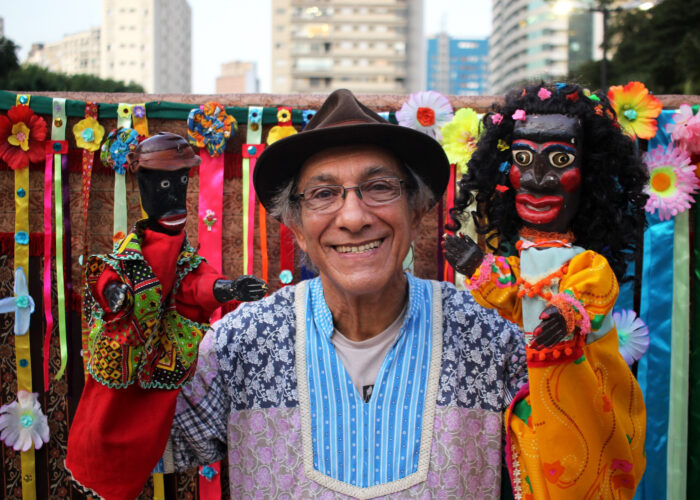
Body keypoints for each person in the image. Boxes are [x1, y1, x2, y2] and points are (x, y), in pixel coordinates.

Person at [444, 82, 647, 498]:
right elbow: (516, 295)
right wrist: (478, 267)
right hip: (530, 412)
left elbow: (588, 293)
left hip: (578, 414)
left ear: (589, 176)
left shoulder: (587, 266)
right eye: (522, 159)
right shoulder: (520, 265)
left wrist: (566, 313)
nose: (537, 178)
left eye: (559, 159)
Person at [65, 133, 267, 500]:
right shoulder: (135, 248)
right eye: (163, 183)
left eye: (182, 181)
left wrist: (227, 289)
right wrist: (114, 294)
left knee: (144, 433)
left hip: (158, 366)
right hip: (123, 359)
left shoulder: (181, 250)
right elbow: (108, 274)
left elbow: (193, 281)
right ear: (143, 186)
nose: (174, 192)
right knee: (103, 424)